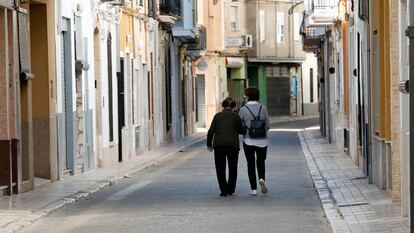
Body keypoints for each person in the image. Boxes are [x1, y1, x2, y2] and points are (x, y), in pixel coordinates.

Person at [207, 97, 246, 197]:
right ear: (233, 106)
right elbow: (242, 131)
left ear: (223, 106)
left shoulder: (217, 116)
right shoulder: (235, 116)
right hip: (232, 145)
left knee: (220, 168)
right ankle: (231, 189)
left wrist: (209, 144)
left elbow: (211, 131)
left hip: (219, 145)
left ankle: (223, 190)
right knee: (233, 167)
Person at [238, 86, 270, 195]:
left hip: (248, 140)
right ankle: (261, 178)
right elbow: (268, 126)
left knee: (250, 164)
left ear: (247, 96)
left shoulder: (243, 109)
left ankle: (253, 189)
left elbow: (239, 126)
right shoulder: (263, 108)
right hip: (262, 140)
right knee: (261, 162)